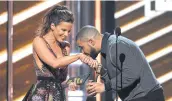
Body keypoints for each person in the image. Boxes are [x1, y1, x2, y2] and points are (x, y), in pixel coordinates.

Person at [76, 25, 165, 101]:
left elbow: (131, 74)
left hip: (146, 96)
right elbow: (117, 82)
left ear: (91, 42)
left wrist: (104, 86)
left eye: (82, 47)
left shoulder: (116, 45)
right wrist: (100, 70)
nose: (83, 52)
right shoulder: (109, 47)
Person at [23, 5, 89, 101]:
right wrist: (79, 56)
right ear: (52, 25)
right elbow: (55, 63)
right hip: (41, 97)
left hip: (59, 97)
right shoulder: (38, 41)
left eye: (69, 31)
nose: (66, 34)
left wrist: (69, 83)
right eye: (63, 30)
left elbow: (59, 80)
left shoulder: (65, 47)